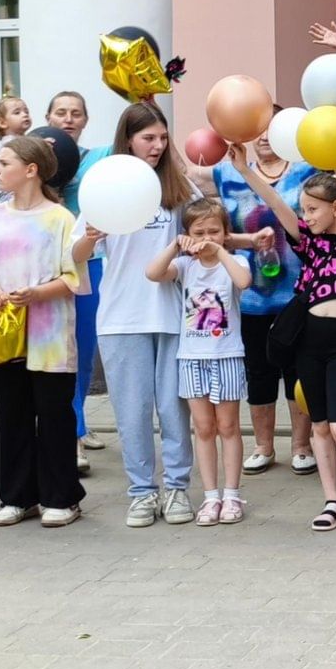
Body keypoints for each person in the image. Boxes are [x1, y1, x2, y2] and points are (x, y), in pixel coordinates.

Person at [235, 160, 336, 530]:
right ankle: (332, 500)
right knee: (319, 426)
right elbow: (275, 203)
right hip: (308, 342)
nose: (306, 215)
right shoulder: (308, 242)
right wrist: (247, 172)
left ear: (335, 208)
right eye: (303, 209)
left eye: (313, 208)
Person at [71, 104, 197, 527]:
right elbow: (75, 255)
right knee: (132, 411)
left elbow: (205, 231)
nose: (158, 146)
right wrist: (90, 239)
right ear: (128, 139)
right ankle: (142, 492)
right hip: (121, 318)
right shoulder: (105, 185)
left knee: (173, 408)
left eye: (163, 137)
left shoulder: (178, 190)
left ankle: (178, 489)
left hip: (172, 316)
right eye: (149, 138)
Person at [0, 136, 85, 527]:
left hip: (50, 336)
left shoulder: (61, 219)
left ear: (30, 170)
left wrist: (36, 293)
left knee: (53, 414)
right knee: (12, 413)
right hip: (5, 333)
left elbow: (72, 279)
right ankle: (18, 496)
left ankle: (61, 497)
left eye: (4, 163)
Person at [212, 115, 317, 476]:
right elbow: (185, 173)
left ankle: (302, 446)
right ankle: (263, 446)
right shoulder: (227, 174)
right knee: (259, 370)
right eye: (257, 133)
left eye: (273, 132)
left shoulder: (308, 172)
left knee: (296, 369)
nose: (265, 139)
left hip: (297, 293)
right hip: (251, 295)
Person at [148, 197, 252, 525]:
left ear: (225, 233)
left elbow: (243, 281)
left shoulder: (236, 262)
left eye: (214, 230)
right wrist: (175, 246)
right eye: (199, 231)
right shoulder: (185, 266)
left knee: (229, 426)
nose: (207, 237)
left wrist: (220, 250)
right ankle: (210, 497)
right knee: (204, 428)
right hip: (191, 358)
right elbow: (153, 273)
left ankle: (232, 494)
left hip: (227, 355)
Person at [44, 91, 106, 471]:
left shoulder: (98, 158)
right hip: (46, 266)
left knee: (83, 348)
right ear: (48, 117)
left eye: (76, 113)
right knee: (57, 353)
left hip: (89, 262)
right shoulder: (31, 157)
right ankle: (69, 434)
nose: (69, 119)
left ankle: (77, 424)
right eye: (61, 113)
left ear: (85, 120)